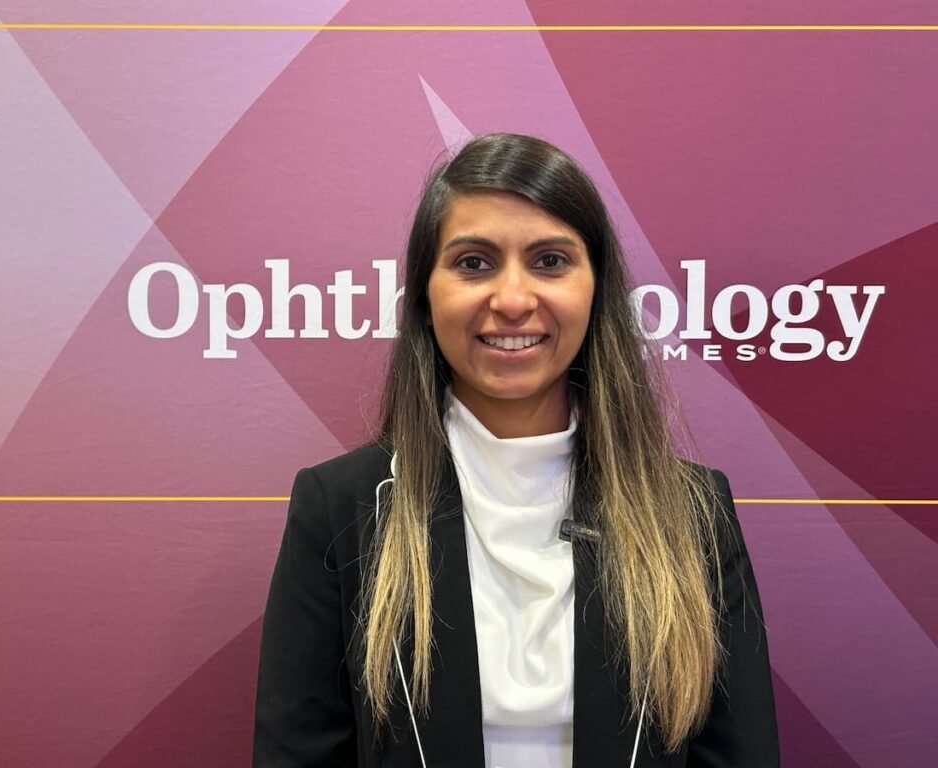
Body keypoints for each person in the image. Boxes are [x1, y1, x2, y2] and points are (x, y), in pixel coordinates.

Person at [253, 133, 779, 767]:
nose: (511, 300)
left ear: (596, 289)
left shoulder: (691, 512)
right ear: (424, 296)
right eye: (474, 263)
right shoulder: (340, 509)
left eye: (550, 261)